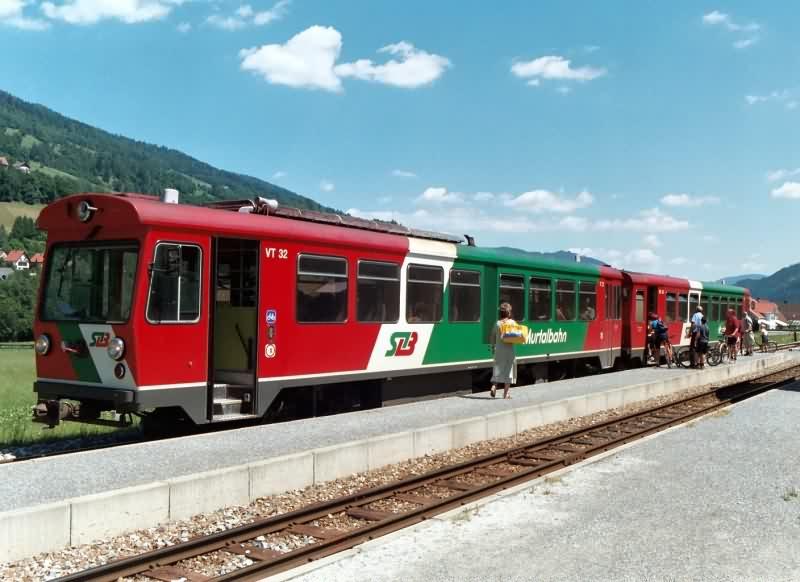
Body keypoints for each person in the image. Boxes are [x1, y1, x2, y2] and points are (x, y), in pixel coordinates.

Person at [488, 302, 517, 399]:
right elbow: (518, 333)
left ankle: (494, 386)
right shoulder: (512, 322)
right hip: (509, 350)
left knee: (497, 369)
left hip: (499, 350)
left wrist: (493, 347)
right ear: (509, 313)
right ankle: (506, 394)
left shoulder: (497, 323)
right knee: (509, 371)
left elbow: (492, 337)